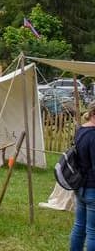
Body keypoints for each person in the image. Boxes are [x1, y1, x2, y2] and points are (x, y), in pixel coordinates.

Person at [70, 101, 95, 250]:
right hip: (92, 187)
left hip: (80, 186)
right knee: (92, 232)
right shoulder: (93, 135)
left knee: (79, 227)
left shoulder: (80, 130)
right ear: (93, 114)